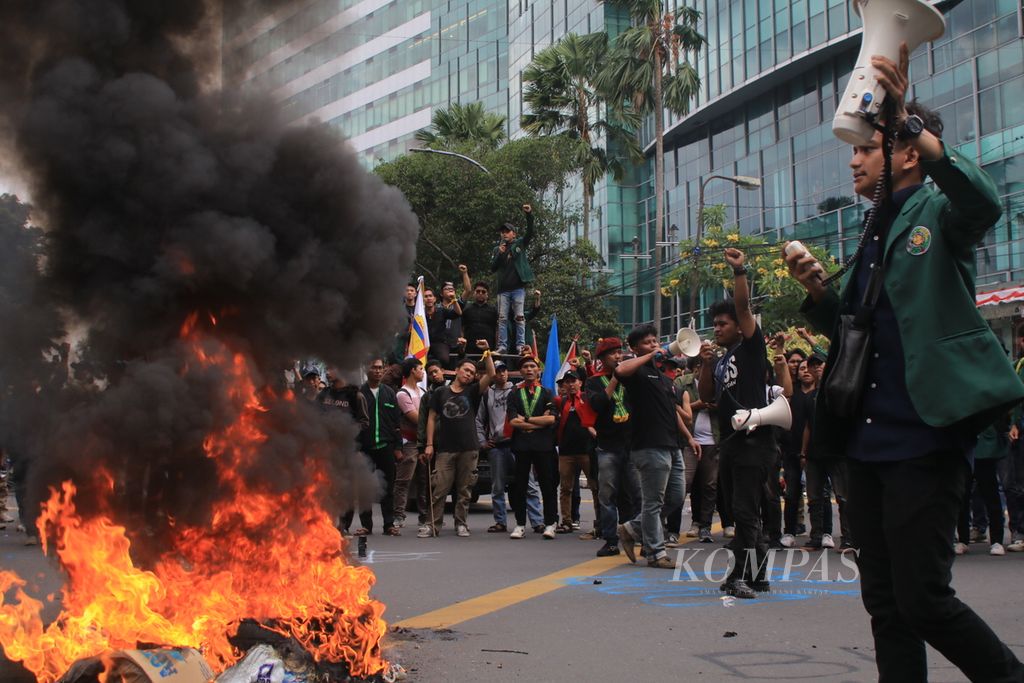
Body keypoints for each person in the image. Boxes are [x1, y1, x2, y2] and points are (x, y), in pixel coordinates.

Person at [784, 43, 1024, 681]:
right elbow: (860, 331)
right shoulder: (871, 227)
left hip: (924, 434)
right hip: (865, 442)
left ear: (907, 152)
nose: (854, 160)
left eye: (866, 148)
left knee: (924, 600)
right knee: (885, 605)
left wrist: (910, 122)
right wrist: (818, 292)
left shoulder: (937, 209)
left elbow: (983, 203)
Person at [698, 249, 778, 599]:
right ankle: (759, 575)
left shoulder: (750, 347)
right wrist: (704, 364)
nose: (717, 329)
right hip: (730, 443)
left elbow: (744, 308)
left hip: (753, 442)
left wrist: (739, 271)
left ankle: (738, 577)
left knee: (746, 511)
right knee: (740, 511)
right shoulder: (720, 360)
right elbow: (708, 397)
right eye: (714, 324)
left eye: (722, 324)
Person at [615, 324, 691, 569]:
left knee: (676, 497)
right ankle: (656, 554)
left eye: (656, 341)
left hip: (673, 444)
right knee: (653, 502)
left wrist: (689, 437)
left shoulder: (664, 378)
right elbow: (619, 369)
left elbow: (672, 411)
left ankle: (630, 528)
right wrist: (650, 356)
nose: (655, 344)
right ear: (635, 348)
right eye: (648, 342)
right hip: (648, 444)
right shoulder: (636, 372)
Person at [423, 342, 496, 537]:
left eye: (472, 373)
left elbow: (491, 375)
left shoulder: (472, 391)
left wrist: (486, 352)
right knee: (439, 489)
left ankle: (461, 523)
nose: (468, 374)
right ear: (456, 371)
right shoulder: (440, 393)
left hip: (469, 448)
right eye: (466, 370)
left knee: (465, 491)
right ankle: (433, 525)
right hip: (445, 449)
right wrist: (429, 444)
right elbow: (431, 418)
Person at [586, 337, 642, 557]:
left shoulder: (632, 377)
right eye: (613, 354)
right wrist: (615, 379)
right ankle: (610, 540)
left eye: (620, 352)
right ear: (602, 358)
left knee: (636, 494)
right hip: (607, 446)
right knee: (607, 495)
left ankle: (638, 535)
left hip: (631, 445)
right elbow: (598, 404)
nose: (618, 357)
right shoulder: (593, 381)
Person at [476, 359, 545, 532]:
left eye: (505, 370)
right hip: (497, 446)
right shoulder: (487, 394)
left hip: (517, 443)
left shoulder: (516, 390)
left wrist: (528, 356)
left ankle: (537, 521)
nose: (502, 374)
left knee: (529, 484)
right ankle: (500, 521)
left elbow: (531, 376)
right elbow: (478, 420)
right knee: (497, 486)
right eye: (498, 371)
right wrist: (482, 441)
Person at [506, 355, 559, 539]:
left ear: (538, 370)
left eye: (532, 366)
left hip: (543, 446)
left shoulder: (547, 392)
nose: (529, 369)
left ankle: (551, 523)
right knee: (520, 486)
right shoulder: (514, 393)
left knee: (547, 485)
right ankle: (520, 524)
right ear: (520, 371)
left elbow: (551, 419)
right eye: (525, 367)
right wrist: (540, 423)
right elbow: (513, 421)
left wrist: (527, 420)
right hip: (521, 446)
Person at [356, 358, 403, 536]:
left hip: (386, 447)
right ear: (366, 369)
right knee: (364, 488)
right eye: (374, 367)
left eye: (380, 368)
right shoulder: (359, 393)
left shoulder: (389, 393)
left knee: (388, 488)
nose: (377, 371)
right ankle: (366, 526)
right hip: (364, 449)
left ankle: (389, 524)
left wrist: (398, 447)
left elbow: (397, 423)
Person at [553, 371, 598, 534]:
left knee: (595, 487)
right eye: (567, 382)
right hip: (566, 452)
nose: (570, 384)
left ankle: (599, 522)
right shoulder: (561, 401)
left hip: (587, 451)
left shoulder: (587, 399)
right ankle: (566, 521)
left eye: (574, 381)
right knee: (565, 488)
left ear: (580, 383)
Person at [491, 204, 535, 354]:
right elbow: (493, 267)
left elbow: (530, 232)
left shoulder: (519, 244)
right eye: (502, 232)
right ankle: (502, 346)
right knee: (502, 318)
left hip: (517, 288)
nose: (504, 234)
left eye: (507, 231)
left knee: (519, 317)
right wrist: (499, 254)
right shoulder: (498, 249)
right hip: (503, 290)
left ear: (514, 234)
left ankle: (520, 346)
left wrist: (529, 215)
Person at [393, 358, 426, 529]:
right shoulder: (402, 394)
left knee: (424, 480)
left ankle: (424, 517)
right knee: (404, 480)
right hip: (410, 443)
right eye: (420, 368)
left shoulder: (422, 391)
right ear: (412, 370)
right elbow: (417, 418)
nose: (423, 371)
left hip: (423, 442)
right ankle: (398, 515)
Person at [459, 264, 499, 351]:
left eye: (483, 292)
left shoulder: (493, 310)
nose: (480, 293)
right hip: (469, 348)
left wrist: (497, 347)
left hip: (488, 348)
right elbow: (462, 328)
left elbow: (497, 330)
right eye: (478, 291)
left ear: (487, 295)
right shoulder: (467, 309)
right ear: (474, 293)